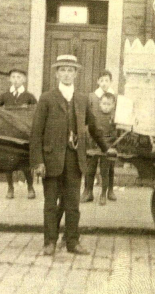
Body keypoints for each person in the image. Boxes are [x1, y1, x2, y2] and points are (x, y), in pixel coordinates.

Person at [31, 55, 116, 256]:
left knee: (73, 204)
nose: (67, 74)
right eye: (63, 70)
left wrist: (106, 148)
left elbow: (94, 127)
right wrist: (37, 162)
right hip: (51, 160)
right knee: (50, 204)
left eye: (71, 70)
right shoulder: (46, 98)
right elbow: (36, 133)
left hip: (75, 159)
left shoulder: (82, 99)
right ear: (57, 73)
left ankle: (72, 242)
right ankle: (49, 242)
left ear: (76, 74)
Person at [0, 68, 37, 199]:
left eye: (19, 77)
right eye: (13, 77)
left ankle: (30, 186)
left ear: (24, 80)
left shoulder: (29, 96)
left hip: (24, 134)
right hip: (8, 134)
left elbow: (37, 113)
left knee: (25, 162)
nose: (16, 80)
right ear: (9, 79)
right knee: (8, 162)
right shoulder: (5, 96)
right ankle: (10, 187)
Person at [81, 70, 116, 203]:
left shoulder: (115, 97)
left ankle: (109, 191)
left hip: (109, 138)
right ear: (97, 82)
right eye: (101, 80)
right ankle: (88, 191)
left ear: (110, 82)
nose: (104, 83)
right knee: (90, 166)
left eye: (106, 80)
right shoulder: (92, 97)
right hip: (94, 139)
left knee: (108, 167)